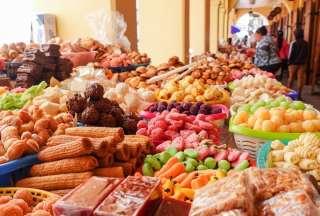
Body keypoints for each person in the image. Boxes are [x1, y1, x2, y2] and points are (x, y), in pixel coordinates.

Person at [288, 29, 309, 99]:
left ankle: (288, 94)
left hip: (293, 63)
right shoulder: (306, 43)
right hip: (302, 63)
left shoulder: (293, 43)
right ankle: (299, 95)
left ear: (295, 35)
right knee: (300, 79)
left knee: (291, 78)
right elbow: (307, 54)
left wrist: (289, 62)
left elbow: (290, 54)